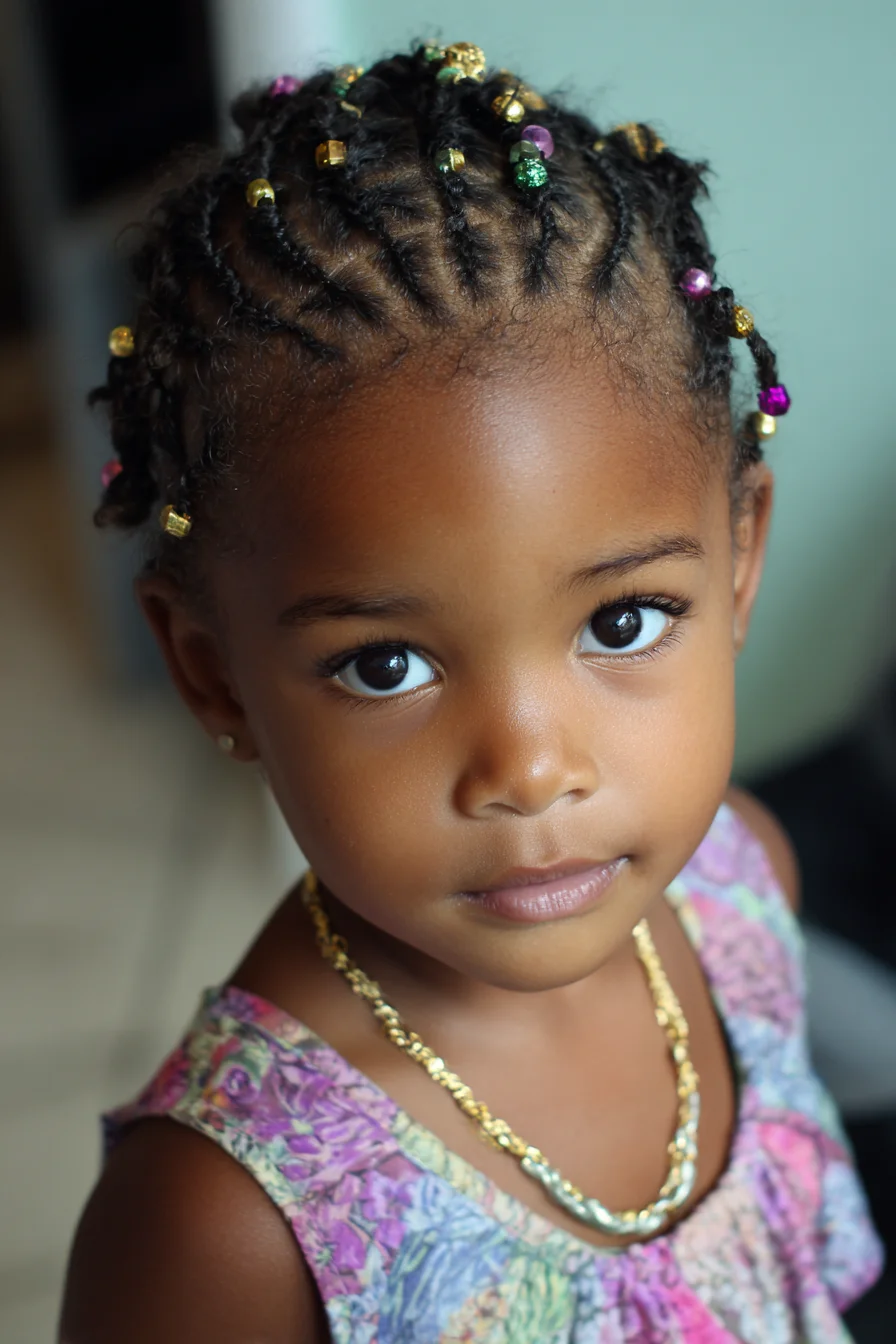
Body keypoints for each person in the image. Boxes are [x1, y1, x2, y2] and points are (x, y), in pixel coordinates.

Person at [58, 41, 883, 1344]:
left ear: (739, 561)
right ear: (211, 673)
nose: (530, 767)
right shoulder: (227, 1226)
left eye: (621, 622)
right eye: (386, 665)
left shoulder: (740, 891)